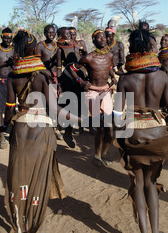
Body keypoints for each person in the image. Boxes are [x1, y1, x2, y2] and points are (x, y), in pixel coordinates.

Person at [1, 30, 82, 233]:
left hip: (20, 129)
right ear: (32, 49)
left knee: (20, 181)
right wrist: (79, 118)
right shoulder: (41, 76)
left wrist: (3, 127)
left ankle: (21, 230)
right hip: (42, 131)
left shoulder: (12, 76)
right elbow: (55, 110)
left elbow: (9, 109)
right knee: (39, 181)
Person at [113, 28, 168, 233]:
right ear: (150, 48)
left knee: (138, 182)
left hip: (133, 132)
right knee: (151, 183)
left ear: (133, 49)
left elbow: (118, 116)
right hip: (157, 133)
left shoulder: (125, 79)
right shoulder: (162, 76)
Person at [66, 29, 117, 166]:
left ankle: (103, 155)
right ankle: (96, 155)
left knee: (110, 130)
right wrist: (80, 81)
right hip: (92, 92)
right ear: (94, 41)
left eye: (104, 37)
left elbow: (109, 67)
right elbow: (72, 69)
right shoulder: (88, 57)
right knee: (100, 127)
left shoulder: (110, 55)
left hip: (106, 91)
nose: (103, 39)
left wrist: (113, 77)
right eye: (99, 38)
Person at [56, 27, 86, 147]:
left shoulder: (79, 44)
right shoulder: (59, 49)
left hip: (81, 77)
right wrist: (59, 84)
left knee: (80, 105)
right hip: (68, 78)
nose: (70, 34)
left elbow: (85, 57)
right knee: (69, 106)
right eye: (67, 33)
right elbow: (59, 69)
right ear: (61, 36)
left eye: (70, 33)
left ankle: (73, 128)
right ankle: (67, 132)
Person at [36, 24, 63, 140]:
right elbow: (36, 64)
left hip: (54, 77)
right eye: (48, 32)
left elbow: (59, 66)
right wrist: (45, 72)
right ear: (44, 33)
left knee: (54, 103)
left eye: (53, 33)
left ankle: (55, 128)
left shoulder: (58, 47)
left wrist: (59, 82)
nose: (51, 35)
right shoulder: (39, 46)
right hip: (41, 77)